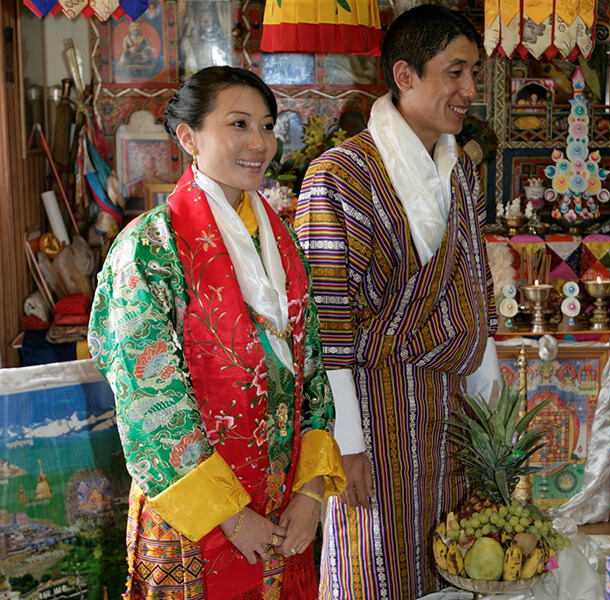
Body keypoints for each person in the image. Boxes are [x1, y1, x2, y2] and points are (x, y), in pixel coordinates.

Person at [88, 66, 346, 600]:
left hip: (282, 517)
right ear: (188, 138)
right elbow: (148, 403)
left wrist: (312, 491)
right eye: (238, 124)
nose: (259, 143)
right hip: (196, 524)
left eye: (267, 126)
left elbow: (313, 373)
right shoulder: (149, 249)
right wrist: (230, 517)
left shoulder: (283, 246)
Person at [295, 6, 501, 599]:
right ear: (405, 76)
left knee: (456, 557)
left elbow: (474, 292)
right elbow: (327, 323)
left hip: (448, 409)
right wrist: (347, 446)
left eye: (474, 73)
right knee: (372, 562)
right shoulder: (338, 174)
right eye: (455, 72)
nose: (469, 90)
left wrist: (490, 416)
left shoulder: (459, 173)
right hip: (372, 409)